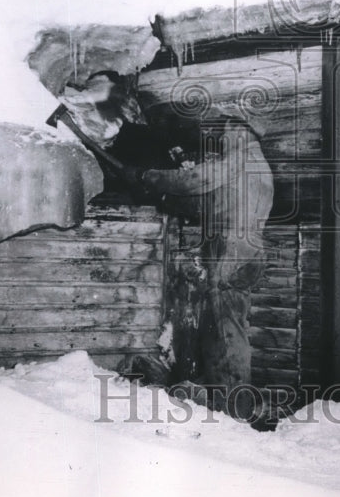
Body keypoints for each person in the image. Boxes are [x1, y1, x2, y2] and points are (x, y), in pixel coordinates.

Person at [54, 73, 274, 417]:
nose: (213, 137)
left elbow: (198, 180)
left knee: (225, 325)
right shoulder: (255, 167)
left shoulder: (238, 153)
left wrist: (148, 177)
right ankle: (226, 394)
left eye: (219, 131)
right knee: (226, 322)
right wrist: (168, 196)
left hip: (231, 247)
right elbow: (212, 201)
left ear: (236, 129)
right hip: (249, 245)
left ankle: (233, 403)